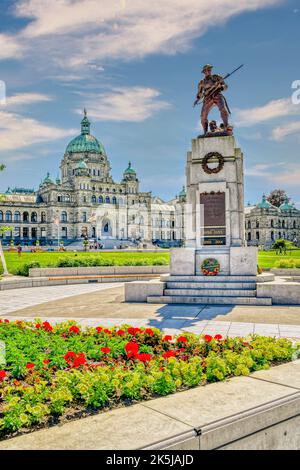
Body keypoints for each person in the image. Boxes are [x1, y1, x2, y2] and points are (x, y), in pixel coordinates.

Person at [195, 64, 230, 134]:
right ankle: (205, 132)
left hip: (217, 95)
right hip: (207, 98)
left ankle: (226, 127)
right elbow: (199, 94)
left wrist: (220, 87)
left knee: (223, 110)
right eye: (207, 70)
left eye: (209, 69)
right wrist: (200, 96)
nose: (208, 71)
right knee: (203, 116)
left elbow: (225, 86)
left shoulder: (217, 77)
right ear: (204, 72)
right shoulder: (201, 82)